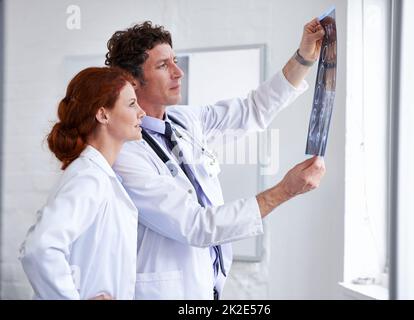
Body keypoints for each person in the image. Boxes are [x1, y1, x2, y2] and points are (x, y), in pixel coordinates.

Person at [105, 18, 326, 300]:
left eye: (174, 60)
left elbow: (253, 109)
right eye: (163, 66)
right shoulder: (125, 154)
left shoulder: (183, 120)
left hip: (207, 288)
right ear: (132, 81)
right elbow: (196, 225)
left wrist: (304, 58)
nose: (178, 72)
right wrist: (285, 190)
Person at [19, 67, 146, 299]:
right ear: (103, 115)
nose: (142, 112)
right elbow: (39, 248)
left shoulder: (99, 174)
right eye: (131, 104)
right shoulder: (89, 177)